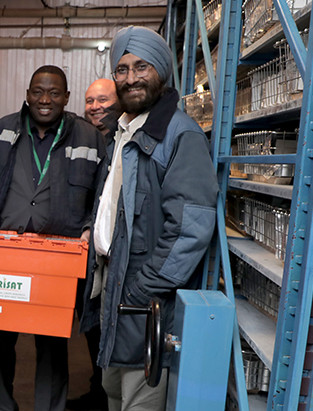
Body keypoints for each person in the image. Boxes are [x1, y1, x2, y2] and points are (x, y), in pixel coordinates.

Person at [79, 26, 219, 411]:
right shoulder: (123, 132)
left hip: (146, 295)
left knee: (140, 397)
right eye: (121, 70)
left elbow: (189, 228)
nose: (131, 78)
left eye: (141, 67)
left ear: (161, 71)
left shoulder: (179, 135)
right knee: (113, 388)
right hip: (116, 282)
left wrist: (143, 288)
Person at [0, 65, 106, 411]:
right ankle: (2, 405)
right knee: (0, 337)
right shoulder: (1, 133)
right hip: (6, 255)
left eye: (54, 93)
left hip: (57, 260)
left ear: (67, 98)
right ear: (27, 94)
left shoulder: (88, 138)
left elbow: (102, 195)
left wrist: (89, 227)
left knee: (52, 342)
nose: (45, 99)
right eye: (38, 91)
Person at [67, 78, 124, 411]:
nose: (95, 106)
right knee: (91, 324)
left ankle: (107, 396)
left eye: (103, 99)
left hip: (112, 255)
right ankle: (97, 390)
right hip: (85, 253)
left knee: (109, 326)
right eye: (90, 101)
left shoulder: (123, 138)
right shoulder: (85, 139)